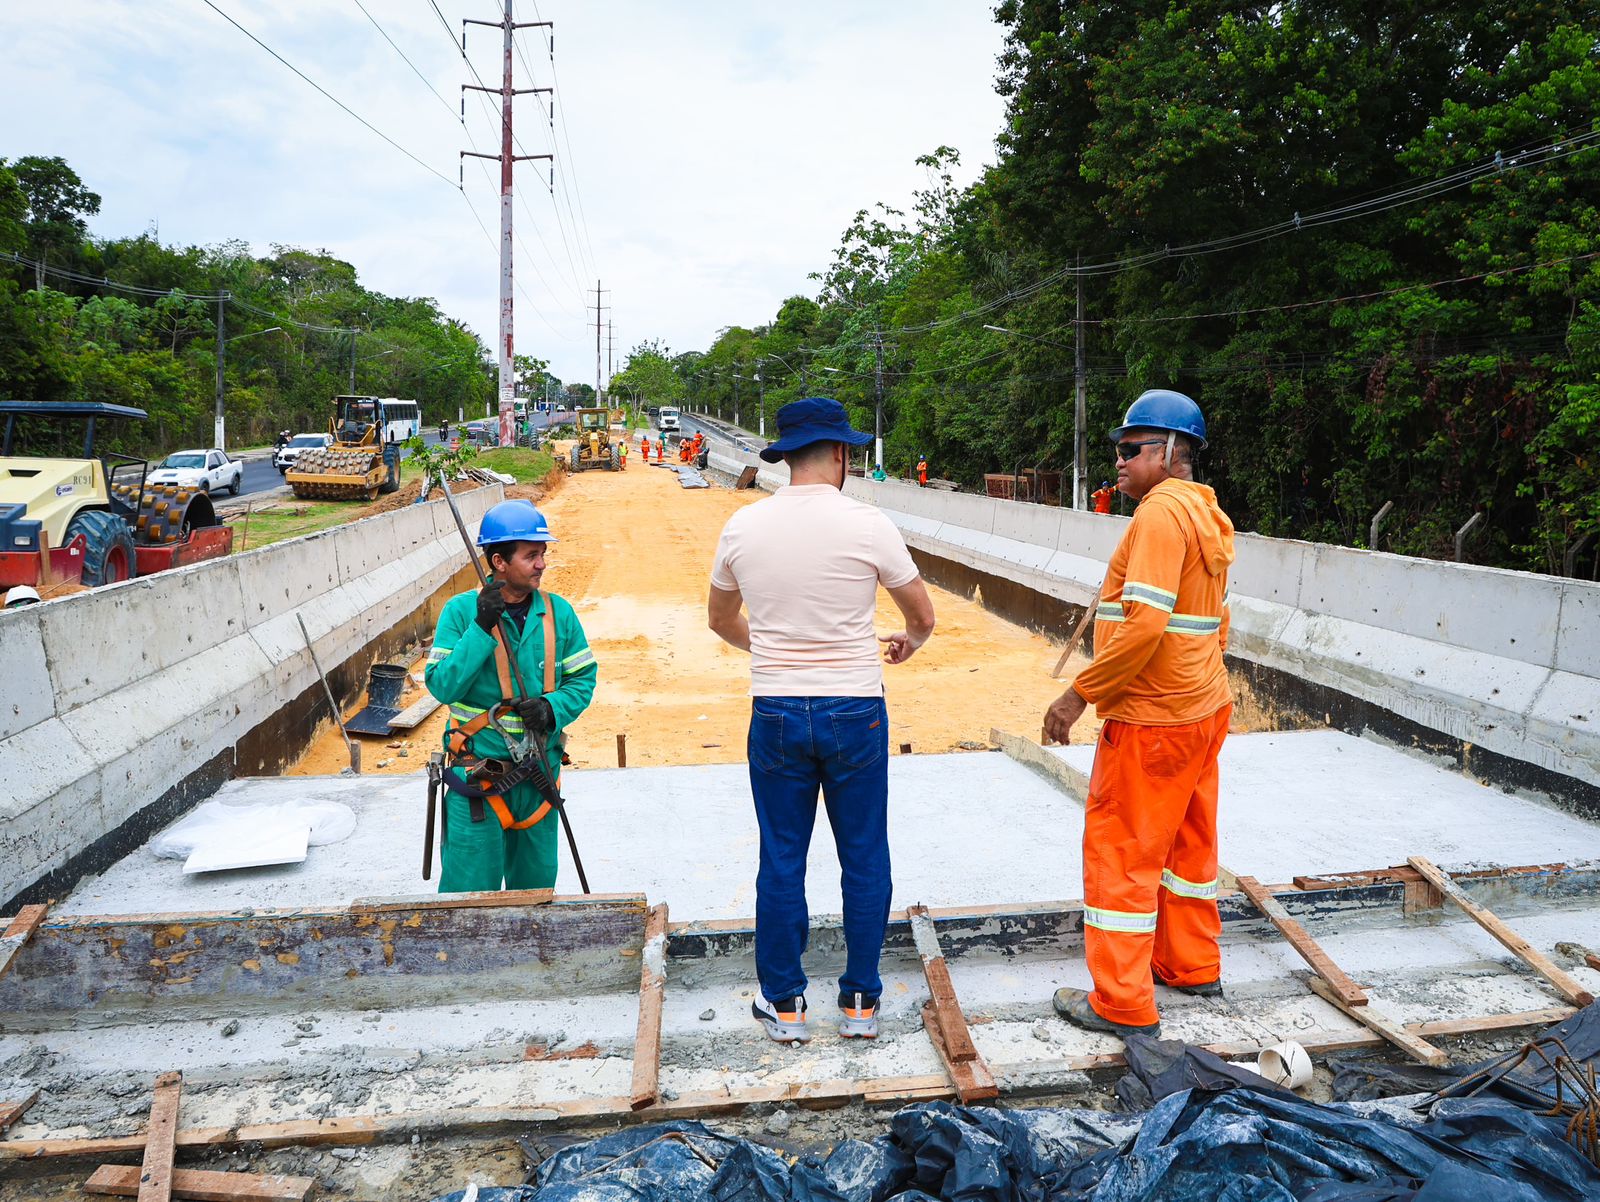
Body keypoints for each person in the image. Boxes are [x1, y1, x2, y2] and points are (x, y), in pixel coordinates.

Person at [707, 397, 936, 1044]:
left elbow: (720, 620)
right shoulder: (868, 525)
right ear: (840, 453)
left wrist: (773, 649)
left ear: (785, 456)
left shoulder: (743, 527)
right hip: (856, 708)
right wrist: (909, 643)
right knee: (864, 854)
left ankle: (785, 1005)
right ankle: (860, 1002)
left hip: (777, 708)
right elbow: (921, 616)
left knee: (782, 856)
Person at [1041, 389, 1235, 1039]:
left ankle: (1122, 1001)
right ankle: (1191, 964)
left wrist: (1080, 692)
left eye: (1131, 448)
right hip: (1203, 707)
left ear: (1171, 451)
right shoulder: (1206, 513)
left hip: (1154, 719)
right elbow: (1216, 622)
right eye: (1118, 449)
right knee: (1188, 846)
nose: (1119, 461)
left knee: (1122, 853)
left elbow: (1145, 623)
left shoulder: (1158, 516)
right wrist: (1196, 682)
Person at [425, 500, 597, 892]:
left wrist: (551, 707)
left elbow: (583, 679)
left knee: (536, 894)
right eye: (531, 556)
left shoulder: (558, 613)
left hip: (539, 781)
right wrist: (480, 627)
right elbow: (442, 686)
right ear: (499, 562)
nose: (541, 564)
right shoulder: (461, 612)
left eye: (542, 554)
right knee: (468, 897)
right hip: (478, 780)